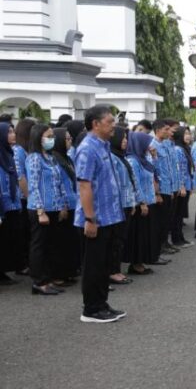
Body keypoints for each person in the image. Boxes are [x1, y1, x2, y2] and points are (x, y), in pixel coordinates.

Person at [74, 105, 126, 323]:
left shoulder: (103, 145)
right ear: (95, 124)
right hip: (96, 218)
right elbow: (84, 186)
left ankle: (101, 304)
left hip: (110, 215)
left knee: (104, 264)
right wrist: (90, 218)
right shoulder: (87, 148)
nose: (113, 125)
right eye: (109, 121)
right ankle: (91, 310)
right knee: (94, 265)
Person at [26, 124, 69, 295]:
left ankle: (48, 279)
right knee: (39, 245)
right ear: (38, 137)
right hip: (40, 208)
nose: (52, 139)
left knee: (52, 245)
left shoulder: (50, 158)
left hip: (54, 207)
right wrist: (40, 211)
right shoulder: (35, 158)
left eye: (52, 136)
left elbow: (59, 183)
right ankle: (38, 281)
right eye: (48, 136)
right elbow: (33, 186)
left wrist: (63, 204)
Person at [51, 128, 81, 285]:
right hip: (64, 204)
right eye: (67, 139)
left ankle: (68, 272)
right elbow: (58, 184)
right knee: (60, 242)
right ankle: (58, 275)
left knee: (70, 241)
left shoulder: (67, 158)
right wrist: (62, 205)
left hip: (73, 202)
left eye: (70, 138)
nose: (70, 141)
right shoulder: (55, 159)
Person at [125, 132, 157, 275]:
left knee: (146, 234)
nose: (150, 146)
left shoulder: (143, 158)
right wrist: (142, 202)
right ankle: (136, 263)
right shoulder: (133, 160)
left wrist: (154, 156)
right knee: (139, 235)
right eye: (147, 142)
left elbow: (152, 172)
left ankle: (141, 261)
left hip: (149, 200)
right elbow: (135, 183)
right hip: (140, 204)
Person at [109, 127, 137, 285]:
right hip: (117, 205)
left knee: (120, 239)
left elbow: (128, 182)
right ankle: (113, 271)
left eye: (126, 138)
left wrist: (132, 202)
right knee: (115, 240)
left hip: (126, 203)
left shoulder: (121, 157)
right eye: (122, 138)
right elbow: (115, 185)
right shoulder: (113, 158)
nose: (125, 141)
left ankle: (116, 269)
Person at [150, 120, 179, 257]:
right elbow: (154, 170)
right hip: (160, 188)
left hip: (169, 186)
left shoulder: (166, 144)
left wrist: (174, 186)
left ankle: (165, 243)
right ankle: (159, 246)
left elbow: (171, 167)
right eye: (166, 129)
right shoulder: (152, 145)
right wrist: (157, 192)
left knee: (167, 218)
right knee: (160, 220)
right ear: (158, 130)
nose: (169, 132)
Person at [0, 122, 22, 285]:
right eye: (9, 132)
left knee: (8, 240)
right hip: (2, 205)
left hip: (12, 204)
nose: (13, 134)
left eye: (13, 131)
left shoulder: (8, 154)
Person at [13, 118, 35, 276]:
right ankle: (22, 264)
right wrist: (29, 198)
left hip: (28, 197)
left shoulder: (27, 150)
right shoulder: (18, 151)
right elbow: (21, 178)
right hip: (23, 198)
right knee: (24, 233)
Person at [172, 126, 194, 248]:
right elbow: (178, 169)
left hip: (186, 184)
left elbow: (189, 169)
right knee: (177, 214)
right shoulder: (178, 149)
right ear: (180, 135)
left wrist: (190, 186)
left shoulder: (186, 148)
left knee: (181, 214)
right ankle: (176, 239)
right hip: (181, 186)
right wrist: (181, 186)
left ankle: (180, 237)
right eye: (185, 133)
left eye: (189, 133)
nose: (188, 136)